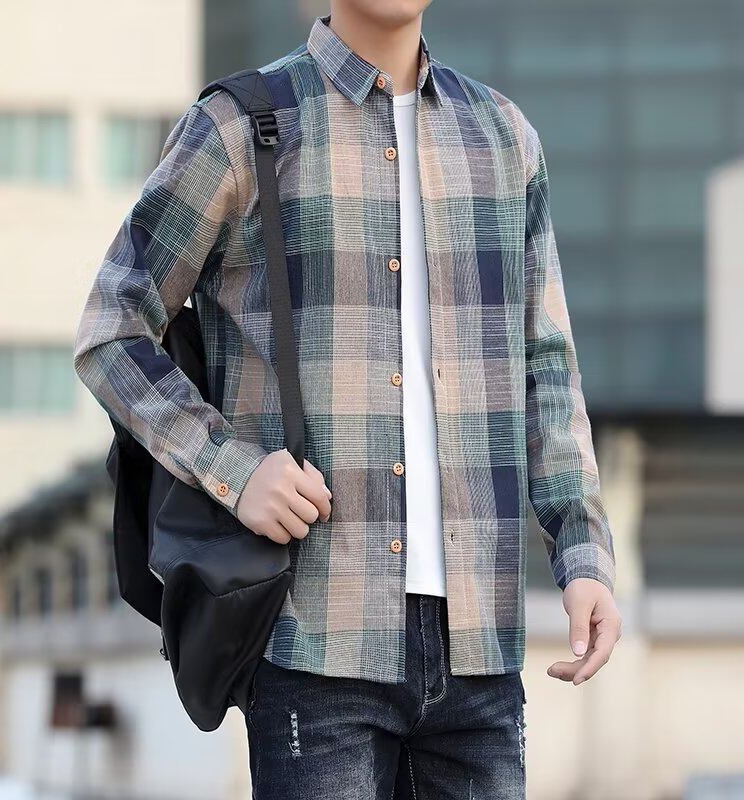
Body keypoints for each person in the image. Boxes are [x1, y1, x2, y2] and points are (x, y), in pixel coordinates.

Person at [73, 2, 622, 797]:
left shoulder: (503, 139)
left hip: (480, 651)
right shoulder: (242, 126)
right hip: (315, 642)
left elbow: (545, 364)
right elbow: (112, 329)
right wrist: (235, 470)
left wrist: (584, 554)